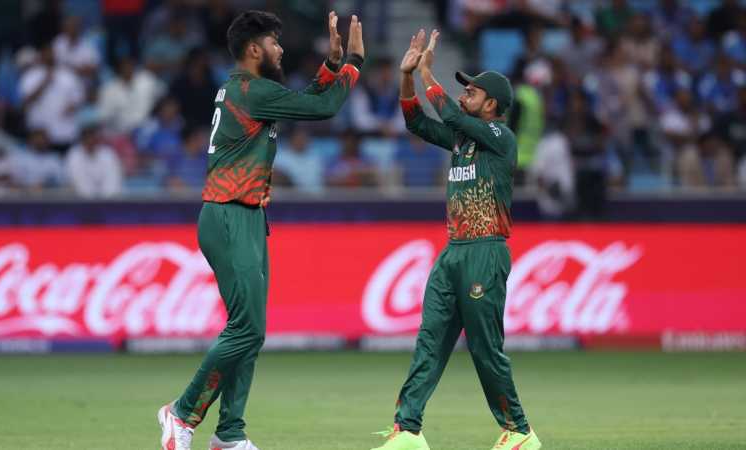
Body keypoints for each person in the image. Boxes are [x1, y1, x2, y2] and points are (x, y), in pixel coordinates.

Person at [157, 10, 364, 450]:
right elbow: (322, 106)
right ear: (254, 50)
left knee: (248, 328)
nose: (281, 48)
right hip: (229, 215)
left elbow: (308, 96)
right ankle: (181, 412)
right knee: (248, 330)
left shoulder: (249, 90)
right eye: (274, 42)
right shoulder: (251, 91)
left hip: (247, 216)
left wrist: (331, 64)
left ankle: (230, 434)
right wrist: (353, 65)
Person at [370, 30, 540, 450]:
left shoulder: (501, 138)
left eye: (473, 91)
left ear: (492, 105)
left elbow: (449, 115)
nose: (465, 94)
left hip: (486, 251)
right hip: (453, 253)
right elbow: (415, 120)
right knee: (429, 343)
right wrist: (408, 76)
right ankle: (407, 430)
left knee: (485, 350)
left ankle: (519, 430)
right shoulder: (463, 141)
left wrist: (430, 72)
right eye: (464, 89)